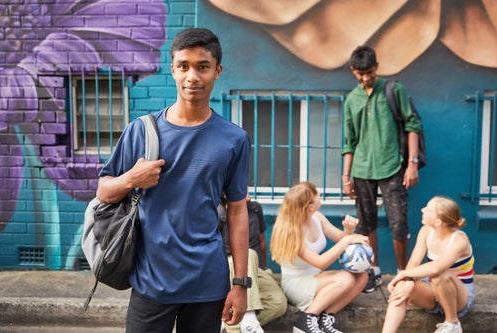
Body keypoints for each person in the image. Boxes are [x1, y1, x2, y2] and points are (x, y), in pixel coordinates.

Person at [96, 28, 252, 333]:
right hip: (151, 281)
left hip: (207, 284)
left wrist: (241, 284)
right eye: (183, 66)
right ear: (173, 70)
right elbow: (104, 190)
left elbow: (237, 211)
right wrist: (132, 178)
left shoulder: (234, 139)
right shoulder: (141, 131)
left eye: (202, 66)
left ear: (217, 71)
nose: (192, 76)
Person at [342, 45, 423, 292]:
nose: (366, 78)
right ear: (352, 71)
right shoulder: (351, 99)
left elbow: (413, 126)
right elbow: (349, 141)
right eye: (360, 73)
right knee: (366, 224)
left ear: (377, 67)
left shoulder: (393, 90)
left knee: (399, 223)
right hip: (362, 170)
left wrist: (412, 164)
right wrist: (346, 177)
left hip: (393, 167)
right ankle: (373, 270)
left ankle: (402, 272)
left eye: (370, 72)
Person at [270, 182, 369, 333]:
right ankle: (305, 322)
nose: (320, 196)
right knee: (346, 279)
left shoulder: (317, 217)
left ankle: (324, 320)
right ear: (310, 206)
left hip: (316, 277)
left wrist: (348, 231)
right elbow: (321, 262)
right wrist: (347, 240)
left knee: (362, 277)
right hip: (297, 283)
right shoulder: (292, 231)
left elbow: (340, 238)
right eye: (317, 195)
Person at [382, 196, 475, 333]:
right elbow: (414, 262)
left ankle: (452, 323)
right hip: (432, 290)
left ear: (438, 222)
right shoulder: (426, 231)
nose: (422, 209)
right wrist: (408, 282)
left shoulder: (460, 240)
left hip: (458, 297)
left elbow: (437, 267)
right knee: (401, 285)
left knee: (440, 274)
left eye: (428, 209)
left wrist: (404, 273)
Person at [218, 192, 287, 333]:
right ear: (225, 194)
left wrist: (263, 266)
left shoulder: (255, 208)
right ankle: (248, 319)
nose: (245, 189)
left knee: (278, 303)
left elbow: (261, 240)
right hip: (230, 267)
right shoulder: (218, 211)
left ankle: (233, 327)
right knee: (247, 253)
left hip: (256, 267)